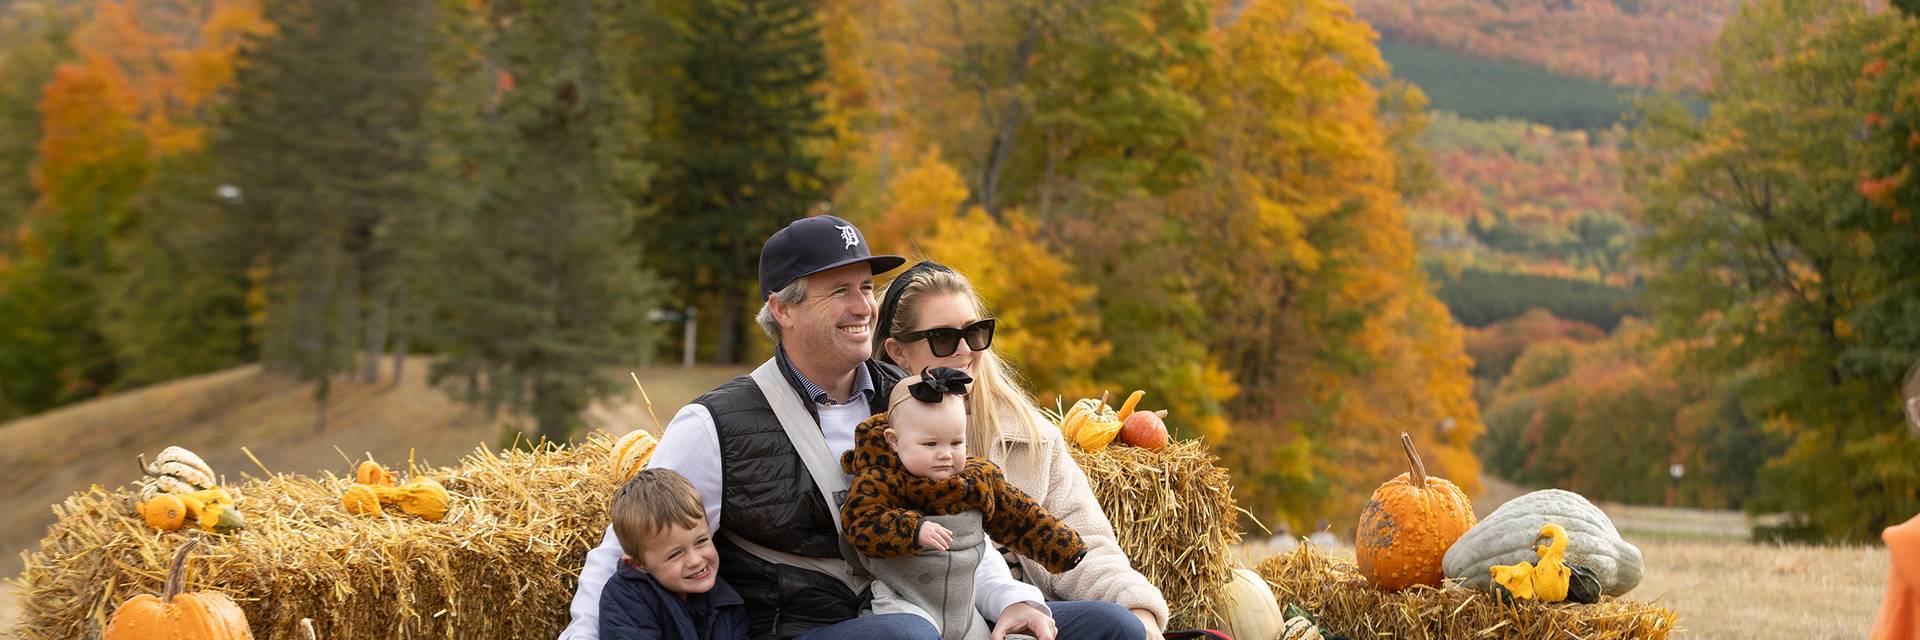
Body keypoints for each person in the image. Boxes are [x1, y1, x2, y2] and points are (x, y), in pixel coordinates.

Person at [561, 216, 1141, 640]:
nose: (863, 305)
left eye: (867, 287)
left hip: (931, 610)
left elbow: (957, 519)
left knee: (1111, 627)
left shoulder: (909, 396)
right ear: (782, 309)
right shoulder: (715, 423)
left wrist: (1013, 599)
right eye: (839, 290)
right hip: (812, 629)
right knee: (906, 639)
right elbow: (623, 551)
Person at [874, 261, 1170, 639]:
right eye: (944, 338)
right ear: (898, 352)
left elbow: (1085, 546)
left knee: (1120, 626)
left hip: (1030, 613)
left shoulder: (1029, 436)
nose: (965, 350)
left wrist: (1139, 612)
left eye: (976, 333)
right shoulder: (880, 440)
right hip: (936, 616)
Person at [840, 367, 1090, 640]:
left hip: (964, 609)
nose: (945, 454)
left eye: (956, 442)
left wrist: (1062, 546)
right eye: (930, 444)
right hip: (905, 601)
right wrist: (912, 529)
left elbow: (1019, 516)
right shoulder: (881, 479)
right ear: (894, 441)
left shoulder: (975, 479)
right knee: (913, 634)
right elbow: (860, 522)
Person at [599, 469, 748, 640]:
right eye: (675, 554)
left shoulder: (726, 602)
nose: (695, 560)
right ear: (639, 564)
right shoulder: (625, 599)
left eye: (701, 541)